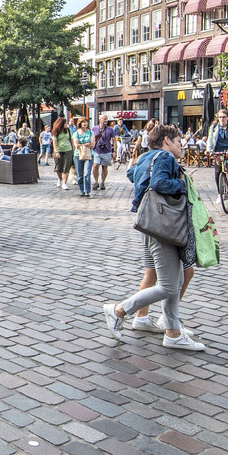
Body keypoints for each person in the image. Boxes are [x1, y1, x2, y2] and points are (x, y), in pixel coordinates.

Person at [103, 123, 206, 352]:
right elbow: (159, 183)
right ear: (167, 141)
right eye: (179, 142)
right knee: (170, 286)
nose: (182, 146)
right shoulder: (166, 158)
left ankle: (172, 332)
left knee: (173, 278)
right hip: (163, 225)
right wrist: (183, 183)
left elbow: (132, 175)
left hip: (148, 224)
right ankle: (119, 310)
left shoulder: (146, 157)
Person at [91, 118, 115, 190]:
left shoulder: (110, 129)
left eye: (107, 119)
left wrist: (115, 151)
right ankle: (96, 182)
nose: (106, 120)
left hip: (106, 150)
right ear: (100, 120)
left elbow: (114, 140)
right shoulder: (94, 128)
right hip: (96, 150)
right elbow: (91, 138)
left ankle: (102, 183)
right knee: (95, 165)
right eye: (104, 119)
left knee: (104, 167)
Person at [73, 117, 94, 197]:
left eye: (86, 122)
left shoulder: (90, 133)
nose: (85, 124)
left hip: (89, 155)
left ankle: (87, 191)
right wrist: (86, 144)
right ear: (80, 124)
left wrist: (82, 144)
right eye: (83, 122)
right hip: (78, 155)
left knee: (87, 173)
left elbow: (93, 145)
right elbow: (76, 145)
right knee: (80, 174)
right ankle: (81, 190)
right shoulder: (76, 133)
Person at [50, 117, 73, 191]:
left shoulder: (68, 130)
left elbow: (71, 140)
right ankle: (60, 179)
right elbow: (54, 142)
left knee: (66, 167)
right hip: (59, 150)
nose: (66, 124)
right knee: (59, 168)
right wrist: (56, 151)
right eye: (65, 123)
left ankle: (64, 183)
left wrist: (74, 149)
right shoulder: (55, 131)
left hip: (68, 150)